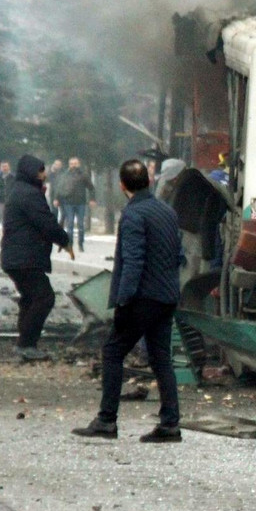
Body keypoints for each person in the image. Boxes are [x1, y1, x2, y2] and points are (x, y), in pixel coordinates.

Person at [72, 159, 185, 443]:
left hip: (142, 298)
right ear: (148, 180)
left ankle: (106, 420)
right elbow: (178, 256)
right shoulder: (167, 212)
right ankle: (170, 424)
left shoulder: (134, 215)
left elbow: (133, 261)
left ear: (122, 186)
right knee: (161, 359)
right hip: (167, 296)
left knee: (112, 351)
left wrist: (123, 302)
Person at [0, 155, 74, 361]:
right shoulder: (29, 194)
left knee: (30, 298)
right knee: (44, 297)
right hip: (25, 257)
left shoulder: (19, 189)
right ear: (31, 172)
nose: (44, 174)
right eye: (40, 171)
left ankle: (24, 343)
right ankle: (26, 344)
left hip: (17, 256)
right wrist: (65, 240)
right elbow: (46, 222)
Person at [55, 157, 97, 252]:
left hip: (80, 203)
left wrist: (92, 199)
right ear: (69, 165)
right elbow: (59, 188)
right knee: (70, 224)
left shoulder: (83, 175)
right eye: (71, 164)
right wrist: (57, 199)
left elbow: (91, 188)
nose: (73, 165)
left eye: (75, 163)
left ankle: (80, 244)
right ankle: (70, 244)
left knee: (81, 225)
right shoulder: (65, 175)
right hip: (68, 203)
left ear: (79, 164)